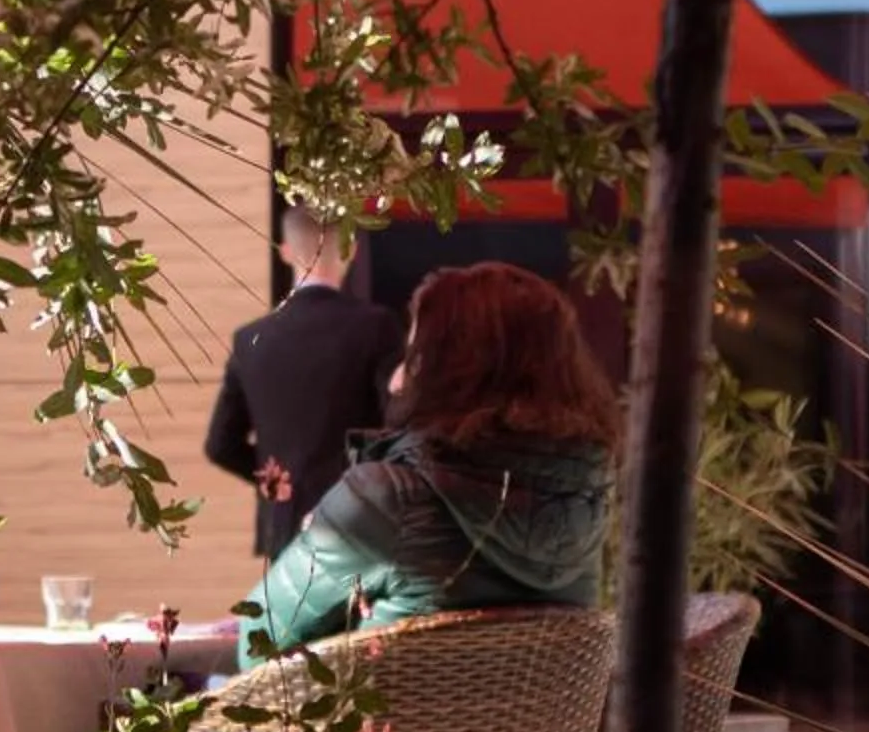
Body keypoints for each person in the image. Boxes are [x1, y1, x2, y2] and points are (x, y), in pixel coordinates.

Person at [235, 261, 618, 666]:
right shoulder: (586, 496)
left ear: (450, 374)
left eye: (413, 357)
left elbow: (258, 640)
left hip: (392, 730)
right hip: (547, 729)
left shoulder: (385, 498)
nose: (396, 380)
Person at [204, 205, 404, 560]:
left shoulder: (252, 339)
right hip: (358, 519)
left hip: (283, 523)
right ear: (350, 250)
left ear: (284, 251)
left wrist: (277, 483)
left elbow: (220, 444)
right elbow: (398, 421)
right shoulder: (377, 327)